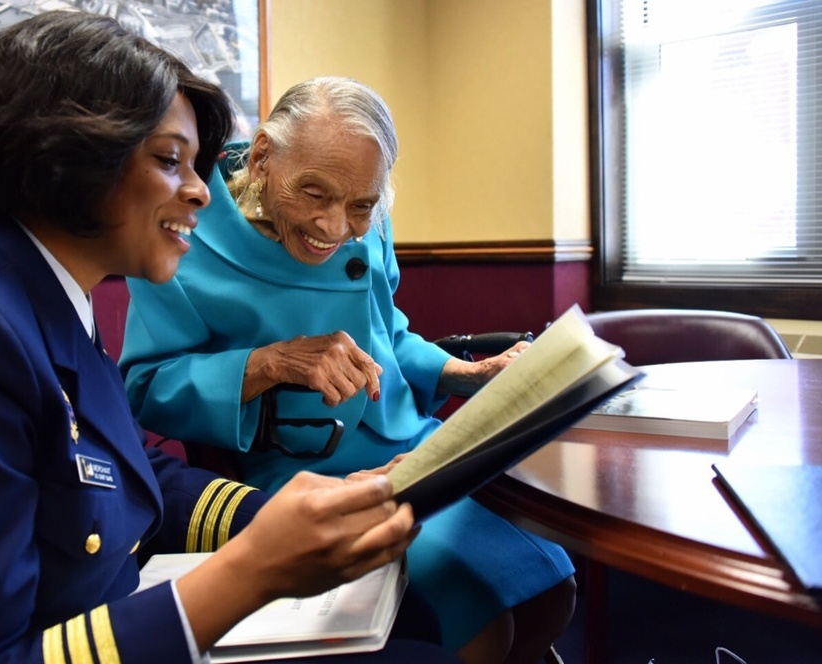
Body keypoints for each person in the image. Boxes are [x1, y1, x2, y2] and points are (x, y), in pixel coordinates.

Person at [0, 14, 463, 664]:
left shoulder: (36, 296)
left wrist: (274, 511)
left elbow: (122, 472)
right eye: (168, 160)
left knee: (414, 619)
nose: (198, 191)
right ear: (65, 160)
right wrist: (250, 571)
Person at [120, 76, 577, 664]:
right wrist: (267, 363)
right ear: (262, 159)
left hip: (418, 449)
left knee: (553, 591)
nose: (335, 228)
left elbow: (391, 337)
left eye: (360, 206)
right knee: (484, 620)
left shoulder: (369, 208)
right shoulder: (184, 231)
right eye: (314, 194)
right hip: (306, 475)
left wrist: (466, 374)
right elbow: (144, 387)